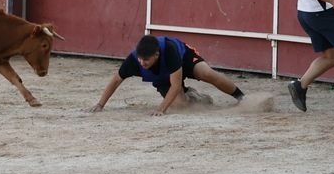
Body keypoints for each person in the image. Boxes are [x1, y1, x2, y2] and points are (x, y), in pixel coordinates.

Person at [88, 34, 246, 115]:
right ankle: (195, 97)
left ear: (156, 55)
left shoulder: (169, 50)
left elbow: (176, 85)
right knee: (180, 105)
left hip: (184, 59)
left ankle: (242, 98)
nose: (142, 63)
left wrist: (161, 109)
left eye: (146, 60)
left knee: (206, 73)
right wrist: (100, 104)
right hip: (163, 77)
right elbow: (116, 80)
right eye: (140, 59)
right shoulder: (133, 60)